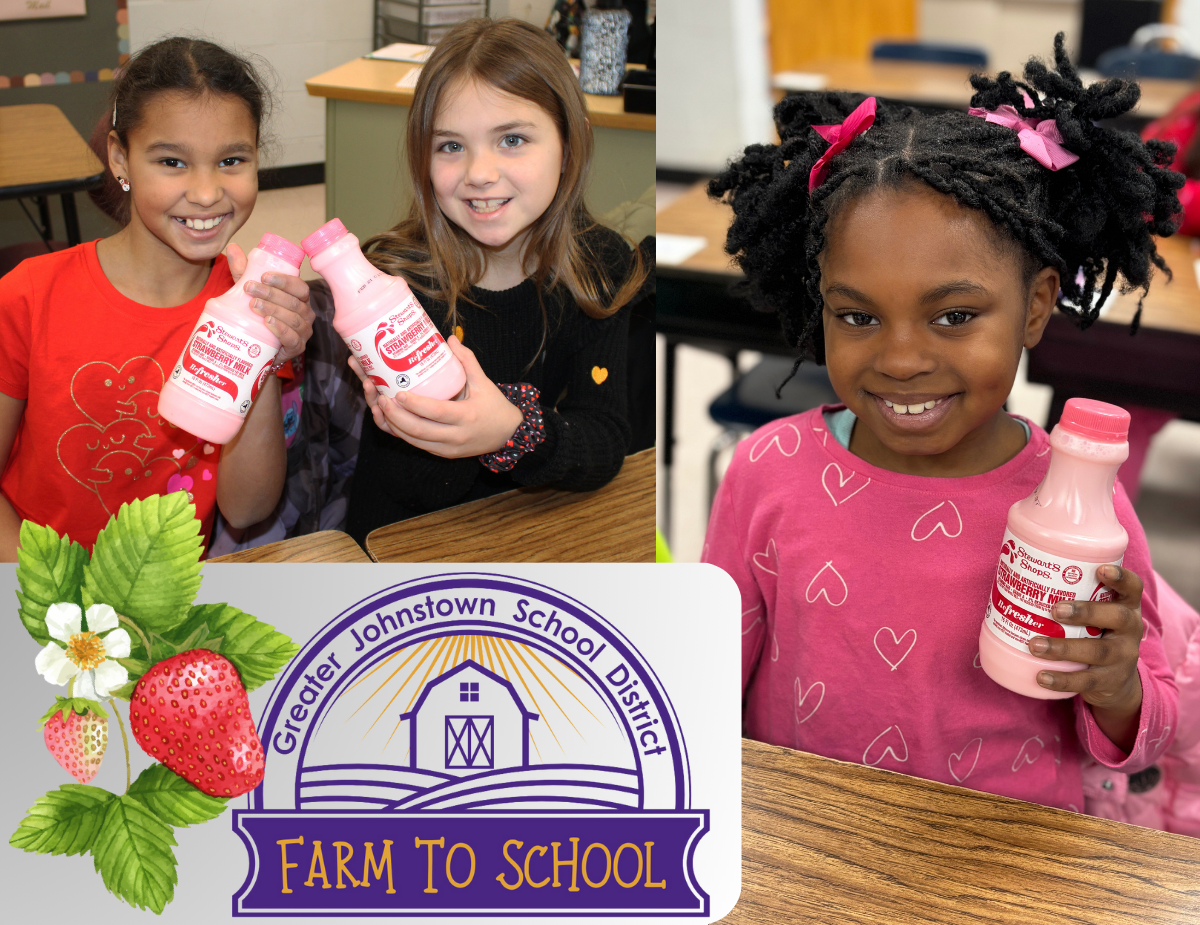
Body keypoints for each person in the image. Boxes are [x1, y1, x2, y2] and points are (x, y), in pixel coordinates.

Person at [703, 34, 1184, 816]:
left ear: (1035, 306)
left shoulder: (1078, 503)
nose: (899, 359)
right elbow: (709, 685)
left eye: (954, 315)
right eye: (856, 315)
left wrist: (1117, 682)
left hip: (1004, 865)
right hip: (809, 849)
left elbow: (1145, 733)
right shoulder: (768, 470)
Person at [317, 17, 652, 545]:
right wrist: (419, 419)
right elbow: (410, 490)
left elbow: (605, 443)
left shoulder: (602, 264)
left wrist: (514, 430)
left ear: (572, 142)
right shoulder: (393, 282)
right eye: (450, 146)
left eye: (512, 139)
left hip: (532, 540)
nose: (478, 172)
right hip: (405, 549)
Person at [0, 37, 314, 559]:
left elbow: (247, 510)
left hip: (168, 600)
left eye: (232, 160)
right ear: (120, 159)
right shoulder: (29, 295)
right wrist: (43, 598)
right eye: (172, 162)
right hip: (34, 588)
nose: (208, 192)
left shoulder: (253, 306)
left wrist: (262, 353)